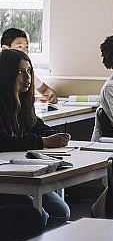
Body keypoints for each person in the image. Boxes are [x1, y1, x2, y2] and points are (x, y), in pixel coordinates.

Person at [0, 49, 70, 228]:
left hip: (22, 172)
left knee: (62, 212)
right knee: (41, 216)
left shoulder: (23, 102)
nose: (27, 77)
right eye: (20, 72)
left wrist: (54, 137)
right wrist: (43, 142)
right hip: (5, 178)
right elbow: (3, 141)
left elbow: (37, 127)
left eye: (29, 71)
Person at [1, 28, 57, 103]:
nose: (25, 51)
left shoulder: (26, 71)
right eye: (19, 47)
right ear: (5, 49)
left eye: (26, 47)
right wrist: (34, 99)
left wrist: (50, 95)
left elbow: (46, 90)